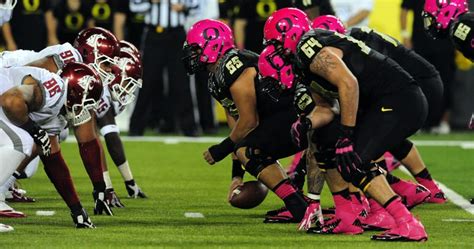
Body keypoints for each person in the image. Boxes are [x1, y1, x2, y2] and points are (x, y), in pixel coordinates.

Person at [263, 7, 428, 241]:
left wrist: (347, 135)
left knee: (353, 158)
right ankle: (347, 215)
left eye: (276, 43)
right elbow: (325, 108)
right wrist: (306, 123)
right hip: (386, 101)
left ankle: (406, 222)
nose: (275, 50)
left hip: (399, 100)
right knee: (324, 137)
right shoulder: (306, 57)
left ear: (290, 33)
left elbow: (349, 84)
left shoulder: (307, 47)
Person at [182, 19, 339, 223]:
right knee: (248, 150)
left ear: (213, 44)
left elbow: (249, 122)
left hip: (297, 112)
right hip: (280, 118)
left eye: (195, 48)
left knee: (249, 151)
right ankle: (301, 205)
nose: (191, 55)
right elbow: (236, 122)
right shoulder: (215, 78)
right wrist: (236, 175)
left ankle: (300, 208)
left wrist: (221, 150)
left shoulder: (234, 64)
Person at [313, 15, 447, 203]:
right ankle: (428, 189)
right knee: (379, 135)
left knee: (362, 142)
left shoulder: (350, 47)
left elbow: (358, 87)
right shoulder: (354, 38)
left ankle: (379, 200)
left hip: (414, 88)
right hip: (420, 85)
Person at [0, 27, 128, 214]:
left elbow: (87, 139)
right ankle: (3, 189)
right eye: (106, 64)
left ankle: (6, 186)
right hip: (6, 79)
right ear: (89, 53)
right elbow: (22, 91)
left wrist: (100, 187)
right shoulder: (63, 63)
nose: (109, 72)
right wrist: (33, 128)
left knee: (41, 144)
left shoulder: (82, 80)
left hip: (15, 98)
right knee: (24, 141)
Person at [0, 62, 102, 229]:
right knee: (22, 141)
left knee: (23, 144)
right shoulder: (52, 94)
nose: (84, 111)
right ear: (75, 92)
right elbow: (10, 101)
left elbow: (53, 160)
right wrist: (33, 129)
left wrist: (77, 210)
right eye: (85, 103)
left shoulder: (55, 110)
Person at [95, 41, 147, 199]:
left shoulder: (104, 87)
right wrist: (108, 188)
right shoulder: (98, 88)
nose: (129, 90)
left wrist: (129, 182)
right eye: (128, 82)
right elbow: (109, 138)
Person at [402, 0, 457, 134]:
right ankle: (420, 122)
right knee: (420, 83)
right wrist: (404, 34)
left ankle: (443, 122)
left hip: (446, 45)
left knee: (446, 82)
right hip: (421, 43)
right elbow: (404, 9)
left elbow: (460, 14)